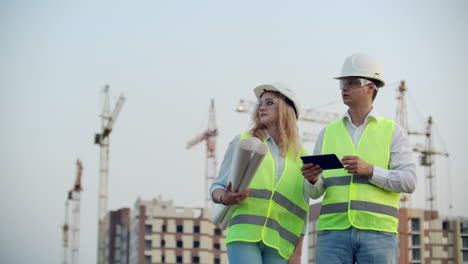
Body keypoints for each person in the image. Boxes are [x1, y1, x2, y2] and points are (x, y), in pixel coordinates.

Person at [301, 53, 417, 264]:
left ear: (371, 87)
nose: (344, 88)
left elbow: (409, 181)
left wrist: (371, 170)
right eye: (343, 83)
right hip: (332, 232)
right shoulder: (327, 133)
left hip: (378, 232)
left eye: (352, 83)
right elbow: (315, 192)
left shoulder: (394, 132)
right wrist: (311, 180)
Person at [210, 83, 309, 264]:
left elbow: (303, 208)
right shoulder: (244, 143)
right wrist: (225, 198)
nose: (262, 107)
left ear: (288, 110)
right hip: (244, 236)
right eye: (260, 103)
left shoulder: (301, 156)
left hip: (281, 243)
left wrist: (298, 253)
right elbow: (217, 186)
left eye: (270, 102)